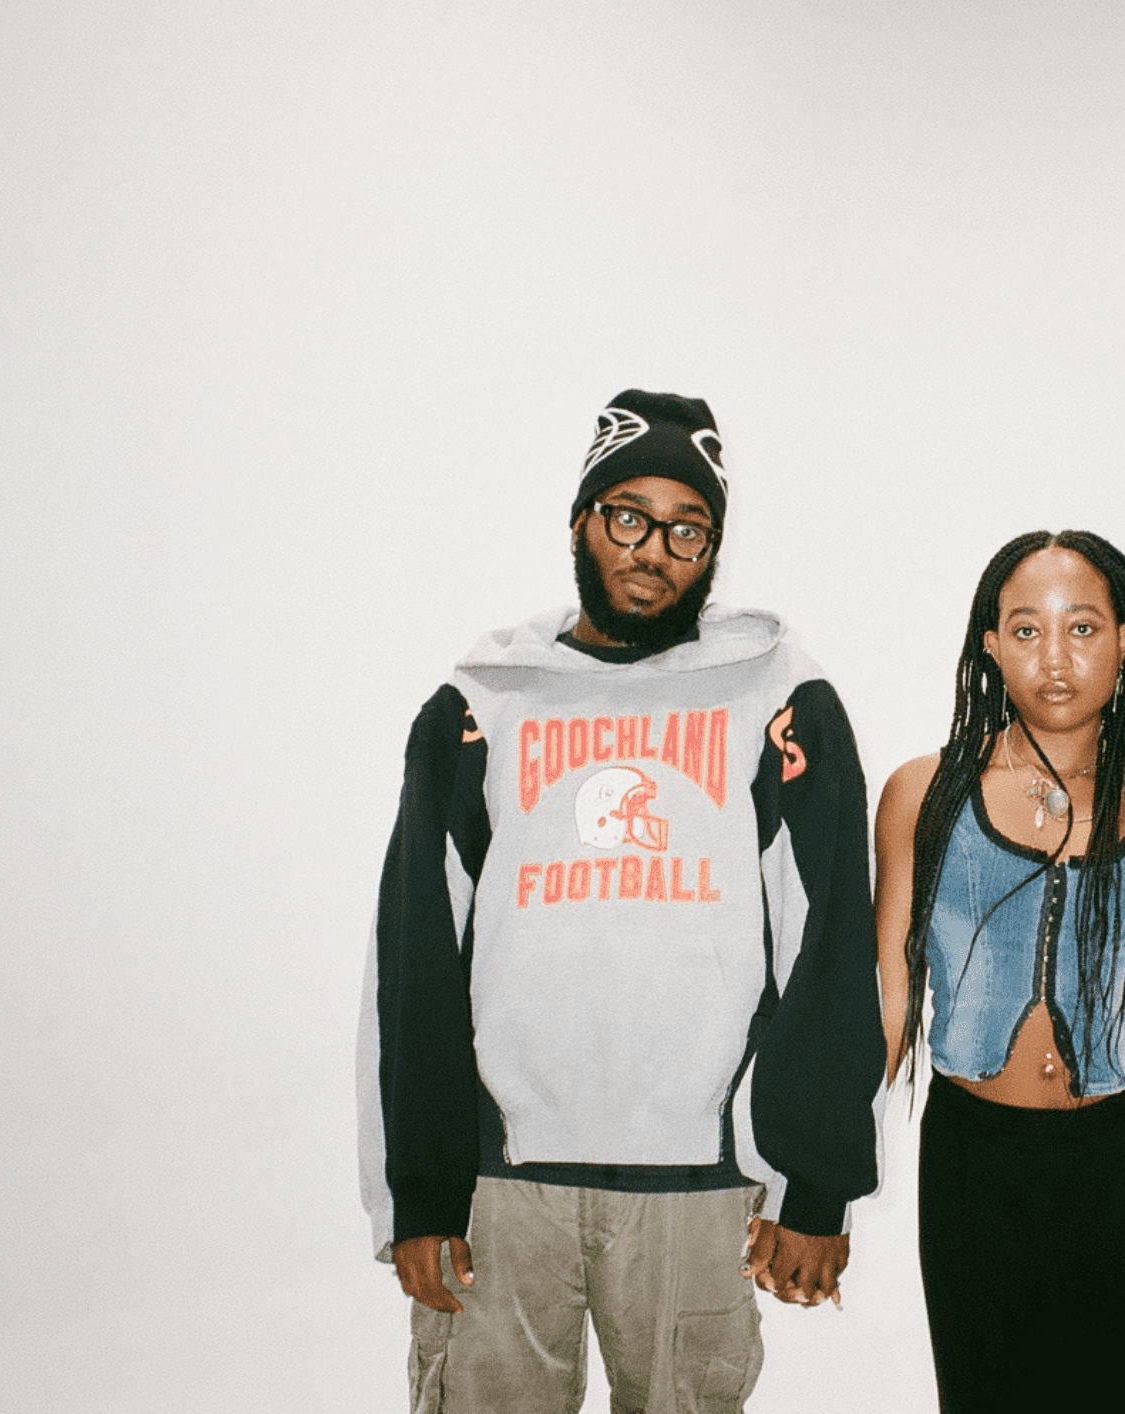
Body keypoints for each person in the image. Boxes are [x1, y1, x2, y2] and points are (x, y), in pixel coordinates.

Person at [359, 390, 884, 1414]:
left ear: (713, 549)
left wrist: (814, 1182)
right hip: (500, 1184)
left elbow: (825, 945)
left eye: (688, 530)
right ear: (580, 522)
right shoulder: (481, 704)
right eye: (629, 517)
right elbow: (416, 951)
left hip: (699, 1186)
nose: (654, 551)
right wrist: (418, 1191)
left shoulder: (777, 697)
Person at [874, 530, 1125, 1412]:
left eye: (1082, 628)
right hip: (977, 1177)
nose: (1054, 658)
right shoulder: (922, 798)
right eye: (1026, 630)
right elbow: (887, 1006)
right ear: (990, 644)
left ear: (1124, 641)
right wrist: (805, 1176)